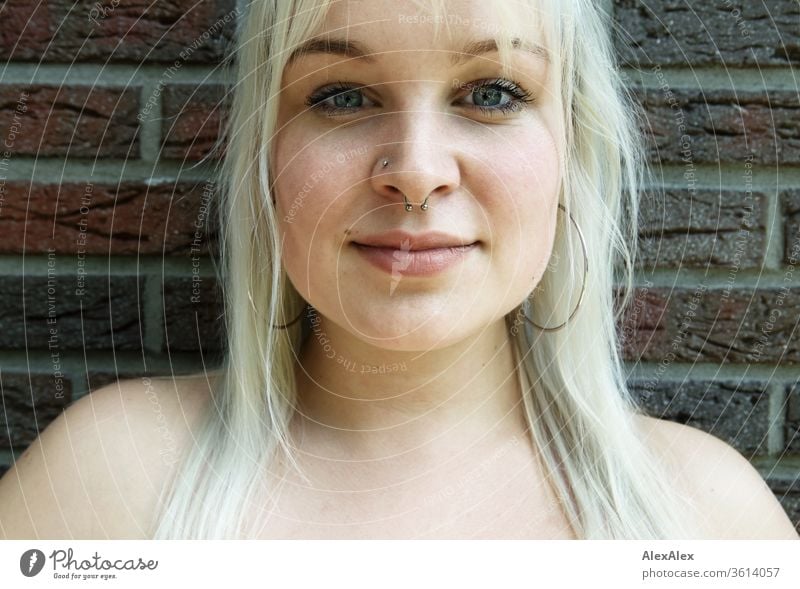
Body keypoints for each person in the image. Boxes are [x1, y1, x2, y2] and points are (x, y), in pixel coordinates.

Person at [1, 0, 797, 540]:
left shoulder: (709, 522)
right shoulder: (101, 492)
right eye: (342, 95)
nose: (416, 172)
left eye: (492, 91)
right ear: (266, 155)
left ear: (573, 149)